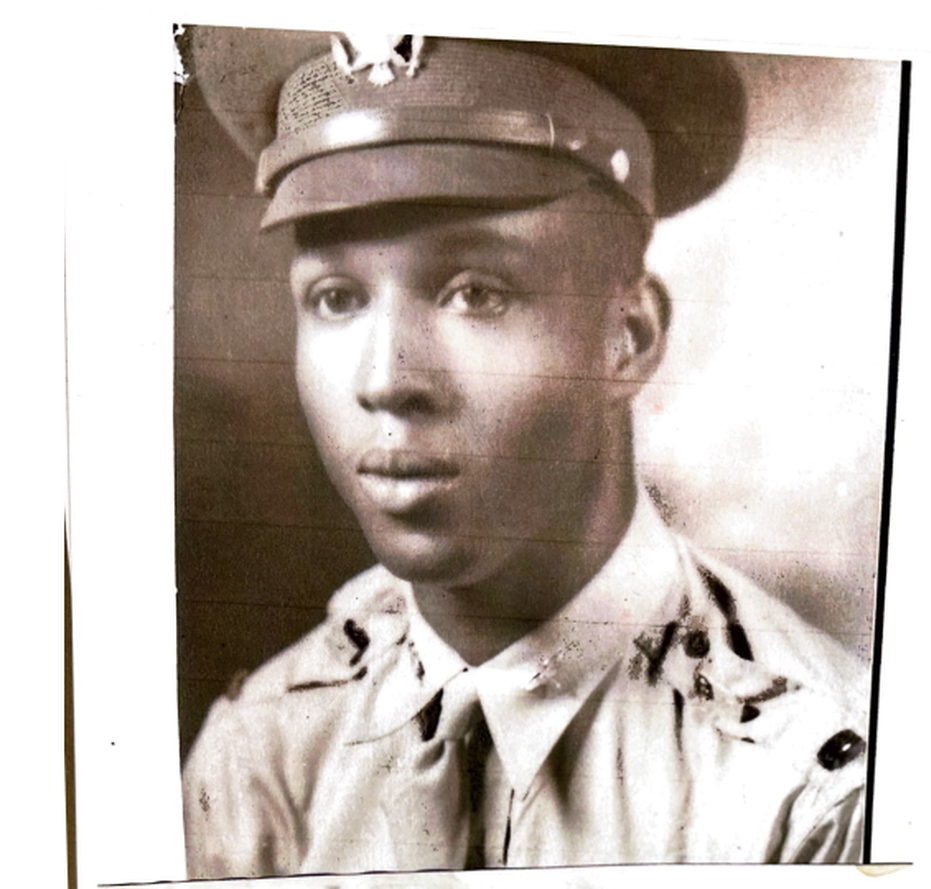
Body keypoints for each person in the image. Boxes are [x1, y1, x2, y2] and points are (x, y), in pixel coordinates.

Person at [181, 28, 872, 877]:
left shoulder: (810, 791)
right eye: (336, 297)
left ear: (628, 337)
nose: (386, 379)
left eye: (476, 292)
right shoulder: (263, 755)